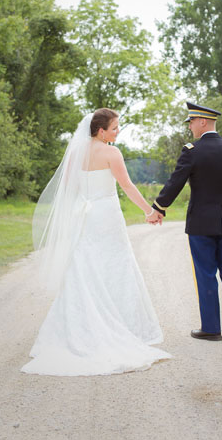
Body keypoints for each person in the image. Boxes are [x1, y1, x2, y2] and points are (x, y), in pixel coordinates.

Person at [22, 109, 170, 376]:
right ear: (101, 131)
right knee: (116, 265)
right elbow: (127, 186)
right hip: (106, 215)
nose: (117, 133)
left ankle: (78, 328)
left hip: (85, 216)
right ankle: (125, 327)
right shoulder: (112, 153)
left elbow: (69, 189)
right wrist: (149, 211)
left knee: (84, 265)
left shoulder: (76, 153)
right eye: (114, 129)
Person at [150, 102, 222, 341]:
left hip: (201, 225)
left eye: (192, 122)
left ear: (203, 122)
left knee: (205, 274)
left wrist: (158, 208)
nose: (190, 126)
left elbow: (175, 182)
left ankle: (212, 329)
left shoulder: (192, 151)